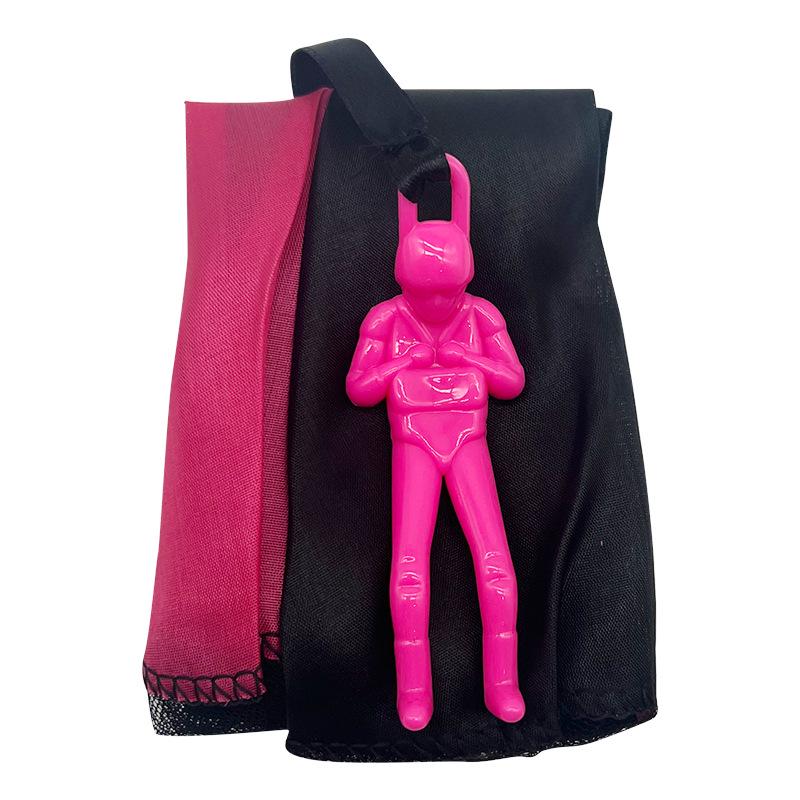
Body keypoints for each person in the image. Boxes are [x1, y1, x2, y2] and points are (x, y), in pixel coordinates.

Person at [346, 155, 526, 731]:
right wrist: (402, 363)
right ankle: (414, 691)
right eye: (426, 295)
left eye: (447, 295)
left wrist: (467, 357)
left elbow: (512, 379)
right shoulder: (385, 319)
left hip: (468, 440)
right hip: (415, 444)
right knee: (409, 564)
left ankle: (502, 684)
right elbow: (359, 387)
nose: (437, 306)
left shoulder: (481, 315)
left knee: (494, 558)